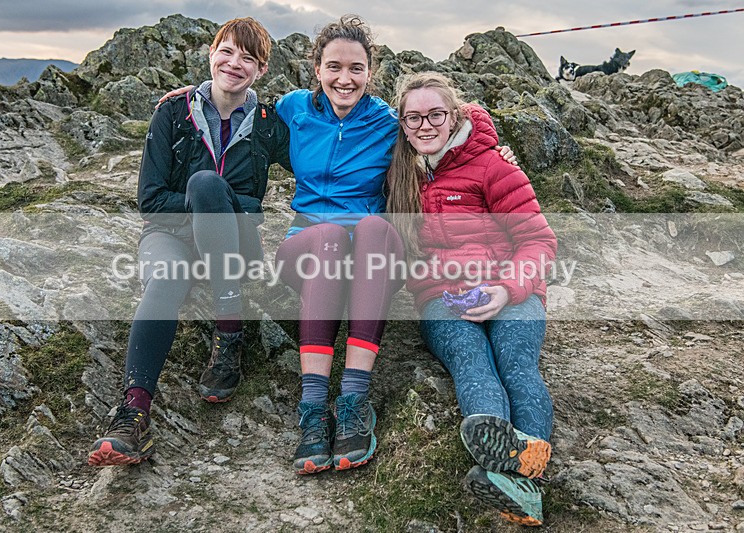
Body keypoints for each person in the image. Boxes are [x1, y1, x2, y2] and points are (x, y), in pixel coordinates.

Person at [159, 15, 517, 475]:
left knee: (371, 228)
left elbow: (449, 128)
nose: (344, 78)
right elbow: (235, 108)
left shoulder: (389, 124)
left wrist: (495, 150)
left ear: (371, 72)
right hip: (309, 247)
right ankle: (312, 409)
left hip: (371, 256)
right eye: (334, 67)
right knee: (328, 236)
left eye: (356, 68)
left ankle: (353, 398)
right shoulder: (292, 110)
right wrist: (184, 99)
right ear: (317, 68)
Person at [88, 17, 291, 467]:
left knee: (205, 184)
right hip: (172, 236)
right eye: (227, 51)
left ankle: (229, 333)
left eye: (249, 58)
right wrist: (207, 205)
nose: (234, 64)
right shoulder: (173, 112)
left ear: (260, 70)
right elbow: (150, 200)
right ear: (211, 52)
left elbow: (320, 162)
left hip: (238, 245)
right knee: (164, 278)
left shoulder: (268, 123)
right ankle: (133, 415)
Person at [386, 72, 557, 526]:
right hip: (443, 297)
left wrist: (508, 288)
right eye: (413, 117)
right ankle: (508, 467)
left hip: (511, 288)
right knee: (471, 359)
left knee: (516, 363)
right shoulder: (398, 171)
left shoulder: (493, 166)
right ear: (401, 122)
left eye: (435, 114)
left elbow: (539, 241)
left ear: (455, 115)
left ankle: (522, 478)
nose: (425, 125)